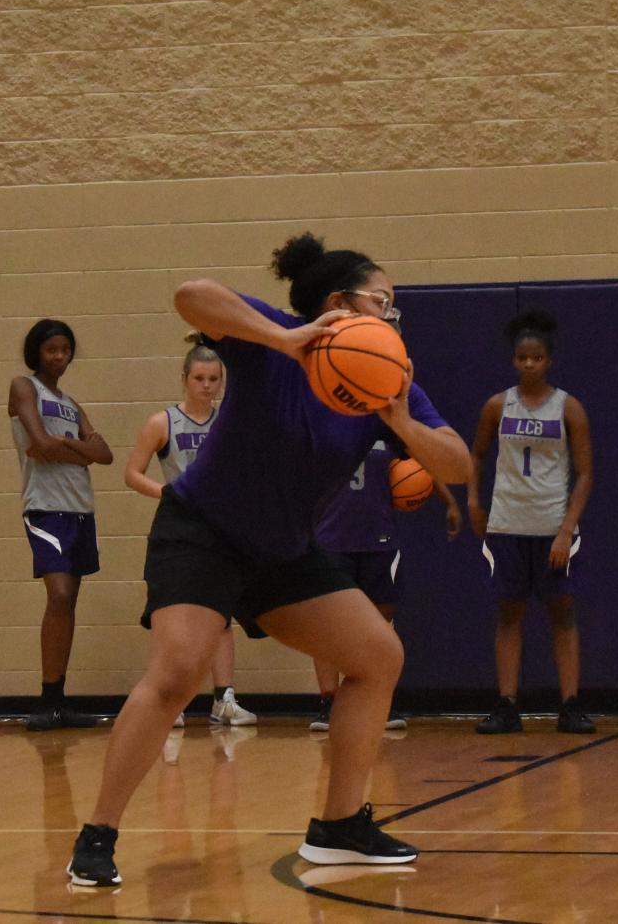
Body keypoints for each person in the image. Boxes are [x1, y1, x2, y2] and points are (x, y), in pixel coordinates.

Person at [66, 232, 470, 887]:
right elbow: (189, 296)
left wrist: (401, 423)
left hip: (282, 551)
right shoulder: (276, 338)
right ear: (339, 303)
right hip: (203, 531)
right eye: (383, 302)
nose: (394, 318)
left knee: (377, 656)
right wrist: (283, 339)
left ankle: (339, 827)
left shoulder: (384, 382)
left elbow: (456, 464)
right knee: (176, 671)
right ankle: (97, 835)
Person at [467, 309, 595, 735]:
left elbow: (586, 473)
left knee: (562, 613)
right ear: (514, 361)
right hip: (506, 523)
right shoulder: (495, 406)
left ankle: (571, 706)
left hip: (551, 525)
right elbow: (477, 454)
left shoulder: (568, 408)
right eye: (522, 358)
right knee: (509, 615)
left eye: (536, 358)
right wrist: (472, 501)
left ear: (548, 361)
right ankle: (506, 706)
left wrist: (566, 529)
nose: (528, 364)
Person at [123, 338, 256, 728]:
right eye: (199, 377)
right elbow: (132, 473)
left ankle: (224, 698)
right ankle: (171, 699)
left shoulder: (229, 422)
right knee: (172, 616)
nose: (207, 385)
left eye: (214, 378)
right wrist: (167, 492)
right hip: (179, 528)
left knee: (221, 615)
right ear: (185, 378)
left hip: (222, 526)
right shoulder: (162, 422)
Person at [310, 440, 461, 733]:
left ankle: (380, 699)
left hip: (379, 539)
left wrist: (449, 500)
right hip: (330, 538)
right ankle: (329, 702)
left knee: (380, 625)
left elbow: (422, 456)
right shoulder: (324, 423)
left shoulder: (385, 427)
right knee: (327, 625)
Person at [9, 320, 114, 731]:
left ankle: (58, 698)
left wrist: (66, 446)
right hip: (45, 507)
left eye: (65, 350)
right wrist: (79, 447)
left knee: (69, 601)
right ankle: (45, 698)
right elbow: (39, 441)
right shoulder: (23, 387)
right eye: (51, 349)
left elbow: (104, 454)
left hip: (80, 508)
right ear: (36, 351)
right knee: (60, 591)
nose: (59, 357)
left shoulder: (70, 403)